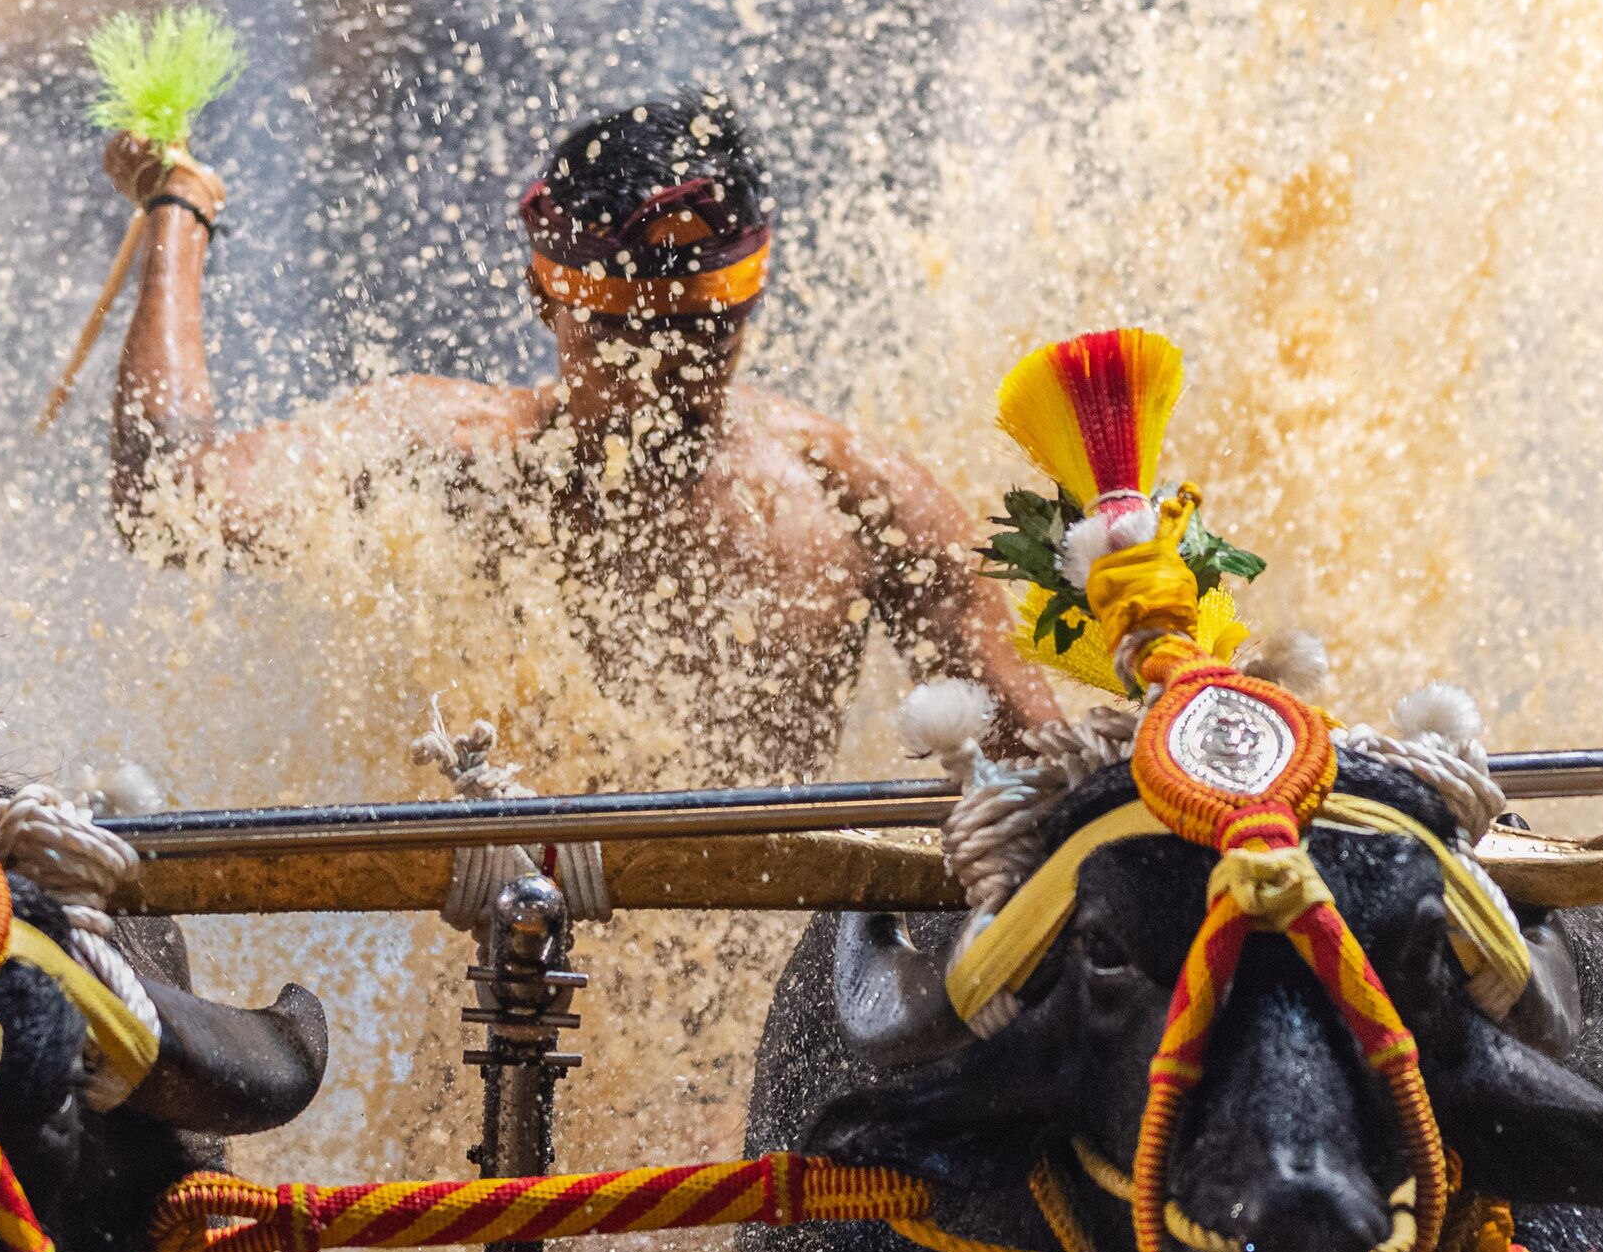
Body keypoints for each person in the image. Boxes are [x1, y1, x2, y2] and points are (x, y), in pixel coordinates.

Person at [102, 96, 1066, 783]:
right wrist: (177, 216)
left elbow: (1042, 772)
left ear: (752, 303)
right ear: (542, 298)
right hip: (504, 1011)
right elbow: (167, 505)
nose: (665, 368)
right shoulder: (445, 457)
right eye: (619, 332)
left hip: (771, 1027)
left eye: (702, 330)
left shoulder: (862, 502)